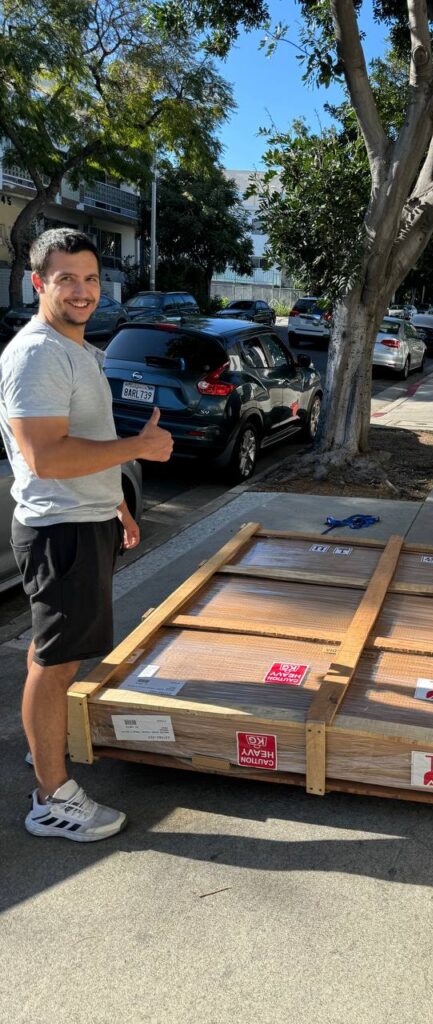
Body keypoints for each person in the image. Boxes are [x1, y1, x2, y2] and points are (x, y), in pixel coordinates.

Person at [0, 228, 173, 842]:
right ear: (38, 283)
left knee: (52, 654)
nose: (81, 290)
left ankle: (43, 751)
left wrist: (114, 507)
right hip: (59, 532)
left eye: (91, 278)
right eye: (66, 278)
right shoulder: (38, 355)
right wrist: (142, 448)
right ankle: (52, 798)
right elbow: (46, 457)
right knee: (56, 663)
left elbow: (82, 448)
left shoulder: (76, 349)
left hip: (83, 520)